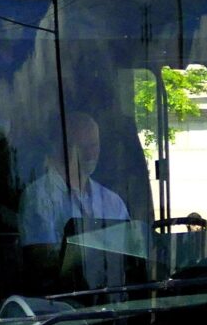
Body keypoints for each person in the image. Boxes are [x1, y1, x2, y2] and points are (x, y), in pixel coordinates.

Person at [17, 112, 129, 290]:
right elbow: (42, 261)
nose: (91, 154)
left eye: (94, 146)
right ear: (63, 149)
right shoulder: (38, 197)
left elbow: (129, 256)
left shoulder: (112, 201)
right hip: (60, 304)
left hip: (111, 298)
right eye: (83, 147)